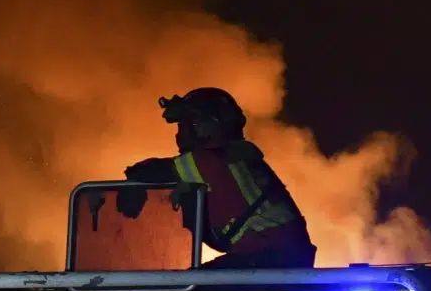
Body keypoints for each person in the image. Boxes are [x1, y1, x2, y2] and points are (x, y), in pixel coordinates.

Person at [122, 88, 314, 267]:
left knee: (187, 287)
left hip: (267, 257)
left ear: (204, 127)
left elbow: (154, 171)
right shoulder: (238, 158)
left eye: (185, 125)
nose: (179, 135)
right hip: (280, 258)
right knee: (196, 282)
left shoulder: (214, 160)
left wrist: (130, 187)